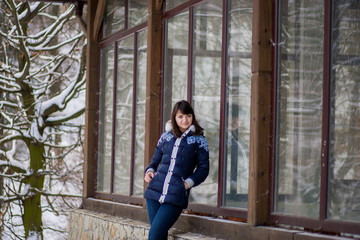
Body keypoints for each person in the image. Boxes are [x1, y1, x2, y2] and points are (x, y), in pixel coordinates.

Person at [144, 100, 210, 240]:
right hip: (154, 192)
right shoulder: (166, 137)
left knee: (154, 235)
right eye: (180, 116)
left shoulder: (199, 140)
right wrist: (149, 171)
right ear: (174, 117)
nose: (184, 120)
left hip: (176, 194)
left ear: (192, 116)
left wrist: (187, 183)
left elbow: (203, 169)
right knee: (159, 235)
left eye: (188, 115)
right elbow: (155, 161)